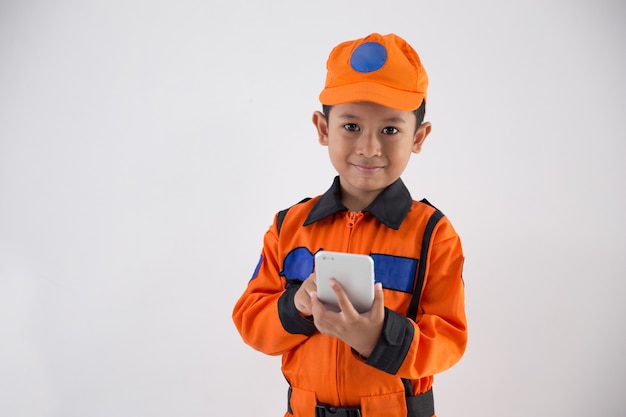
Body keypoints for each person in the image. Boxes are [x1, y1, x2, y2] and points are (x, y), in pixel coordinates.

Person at [232, 32, 467, 417]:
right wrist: (297, 306)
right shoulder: (288, 226)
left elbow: (448, 341)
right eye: (351, 126)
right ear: (323, 129)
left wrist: (378, 336)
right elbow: (250, 320)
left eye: (390, 130)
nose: (369, 147)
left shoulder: (433, 234)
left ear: (418, 137)